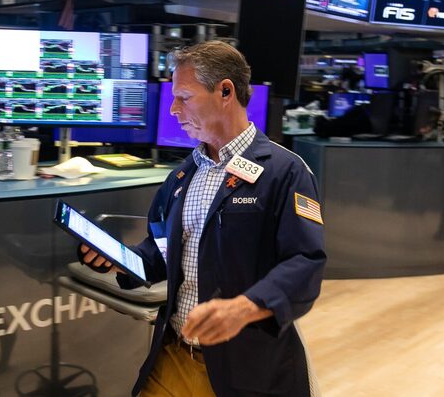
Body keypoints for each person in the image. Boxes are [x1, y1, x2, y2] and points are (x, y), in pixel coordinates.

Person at [80, 41, 326, 396]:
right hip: (175, 354)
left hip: (247, 366)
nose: (173, 109)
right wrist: (117, 259)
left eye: (184, 97)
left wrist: (244, 308)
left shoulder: (285, 172)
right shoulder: (182, 176)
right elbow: (162, 252)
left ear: (225, 91)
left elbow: (305, 263)